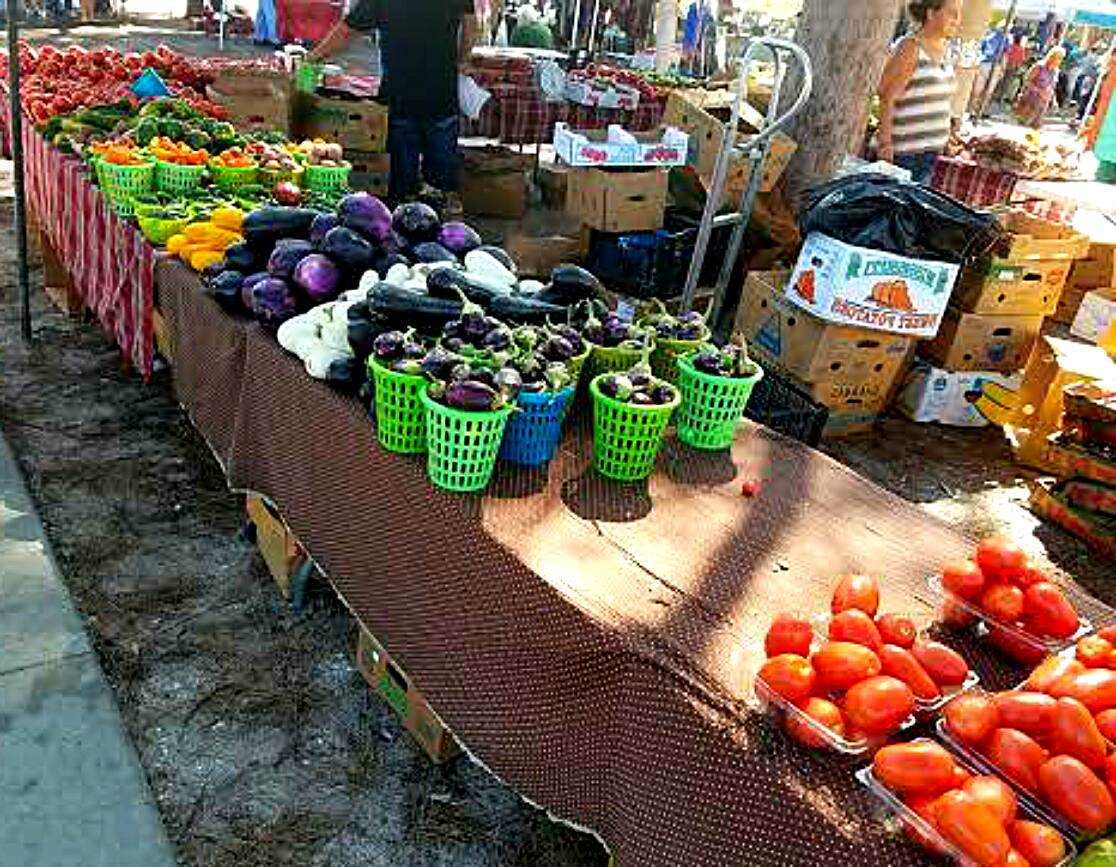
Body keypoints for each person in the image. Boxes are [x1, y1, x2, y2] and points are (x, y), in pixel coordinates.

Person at [309, 0, 478, 207]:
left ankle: (407, 214)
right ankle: (443, 220)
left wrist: (311, 58)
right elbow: (470, 22)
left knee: (402, 190)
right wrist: (463, 58)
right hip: (441, 95)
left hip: (400, 99)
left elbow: (347, 32)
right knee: (442, 185)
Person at [877, 0, 963, 184]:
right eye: (952, 13)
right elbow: (886, 94)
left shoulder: (945, 50)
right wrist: (885, 144)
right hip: (905, 154)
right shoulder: (910, 46)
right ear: (931, 13)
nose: (957, 20)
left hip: (930, 153)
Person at [1015, 46, 1066, 128]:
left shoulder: (1056, 71)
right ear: (1051, 56)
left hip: (1043, 104)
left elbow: (1052, 87)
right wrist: (1039, 90)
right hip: (1030, 101)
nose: (1059, 60)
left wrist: (1054, 100)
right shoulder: (1039, 66)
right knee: (1023, 126)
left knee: (1035, 128)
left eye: (1061, 58)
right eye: (1058, 57)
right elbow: (1027, 81)